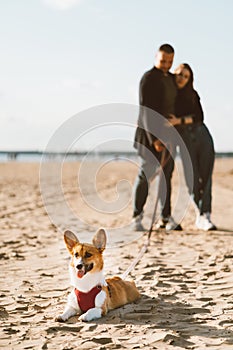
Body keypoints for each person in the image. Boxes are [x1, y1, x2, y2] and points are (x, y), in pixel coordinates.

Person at [132, 43, 182, 231]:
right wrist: (155, 140)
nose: (166, 65)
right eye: (163, 61)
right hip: (148, 136)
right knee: (145, 174)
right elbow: (146, 111)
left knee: (166, 177)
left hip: (170, 137)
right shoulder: (148, 78)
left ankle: (165, 217)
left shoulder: (171, 78)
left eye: (170, 61)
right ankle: (136, 217)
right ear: (156, 57)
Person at [169, 63, 216, 231]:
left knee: (207, 176)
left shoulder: (192, 94)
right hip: (185, 139)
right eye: (180, 74)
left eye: (186, 76)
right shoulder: (169, 94)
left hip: (202, 135)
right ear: (174, 74)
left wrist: (179, 120)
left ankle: (206, 216)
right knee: (192, 179)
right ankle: (199, 213)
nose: (182, 78)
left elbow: (199, 117)